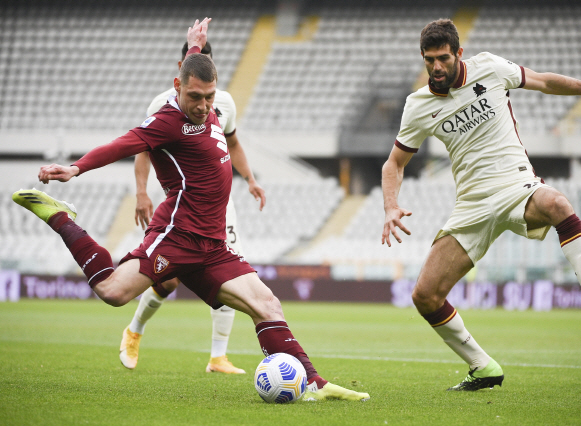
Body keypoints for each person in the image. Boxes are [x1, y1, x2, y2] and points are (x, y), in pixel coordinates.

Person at [13, 18, 369, 402]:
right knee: (113, 292)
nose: (203, 106)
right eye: (195, 97)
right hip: (177, 237)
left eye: (209, 97)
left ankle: (314, 385)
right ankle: (59, 217)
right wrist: (75, 168)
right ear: (177, 87)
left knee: (267, 304)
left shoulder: (208, 99)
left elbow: (196, 67)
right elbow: (121, 145)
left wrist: (195, 45)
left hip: (213, 245)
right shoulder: (166, 121)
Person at [381, 19, 581, 391]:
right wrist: (390, 206)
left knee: (559, 203)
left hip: (516, 185)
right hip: (471, 205)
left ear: (458, 54)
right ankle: (483, 367)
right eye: (429, 60)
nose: (436, 67)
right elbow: (394, 163)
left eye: (443, 58)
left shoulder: (490, 68)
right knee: (425, 295)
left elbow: (544, 81)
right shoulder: (418, 106)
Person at [119, 40, 266, 375]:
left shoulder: (224, 101)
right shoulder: (162, 104)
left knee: (233, 272)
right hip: (183, 205)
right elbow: (142, 148)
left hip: (220, 206)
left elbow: (233, 142)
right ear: (183, 66)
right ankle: (135, 330)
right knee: (167, 282)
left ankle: (218, 357)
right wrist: (142, 192)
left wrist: (251, 179)